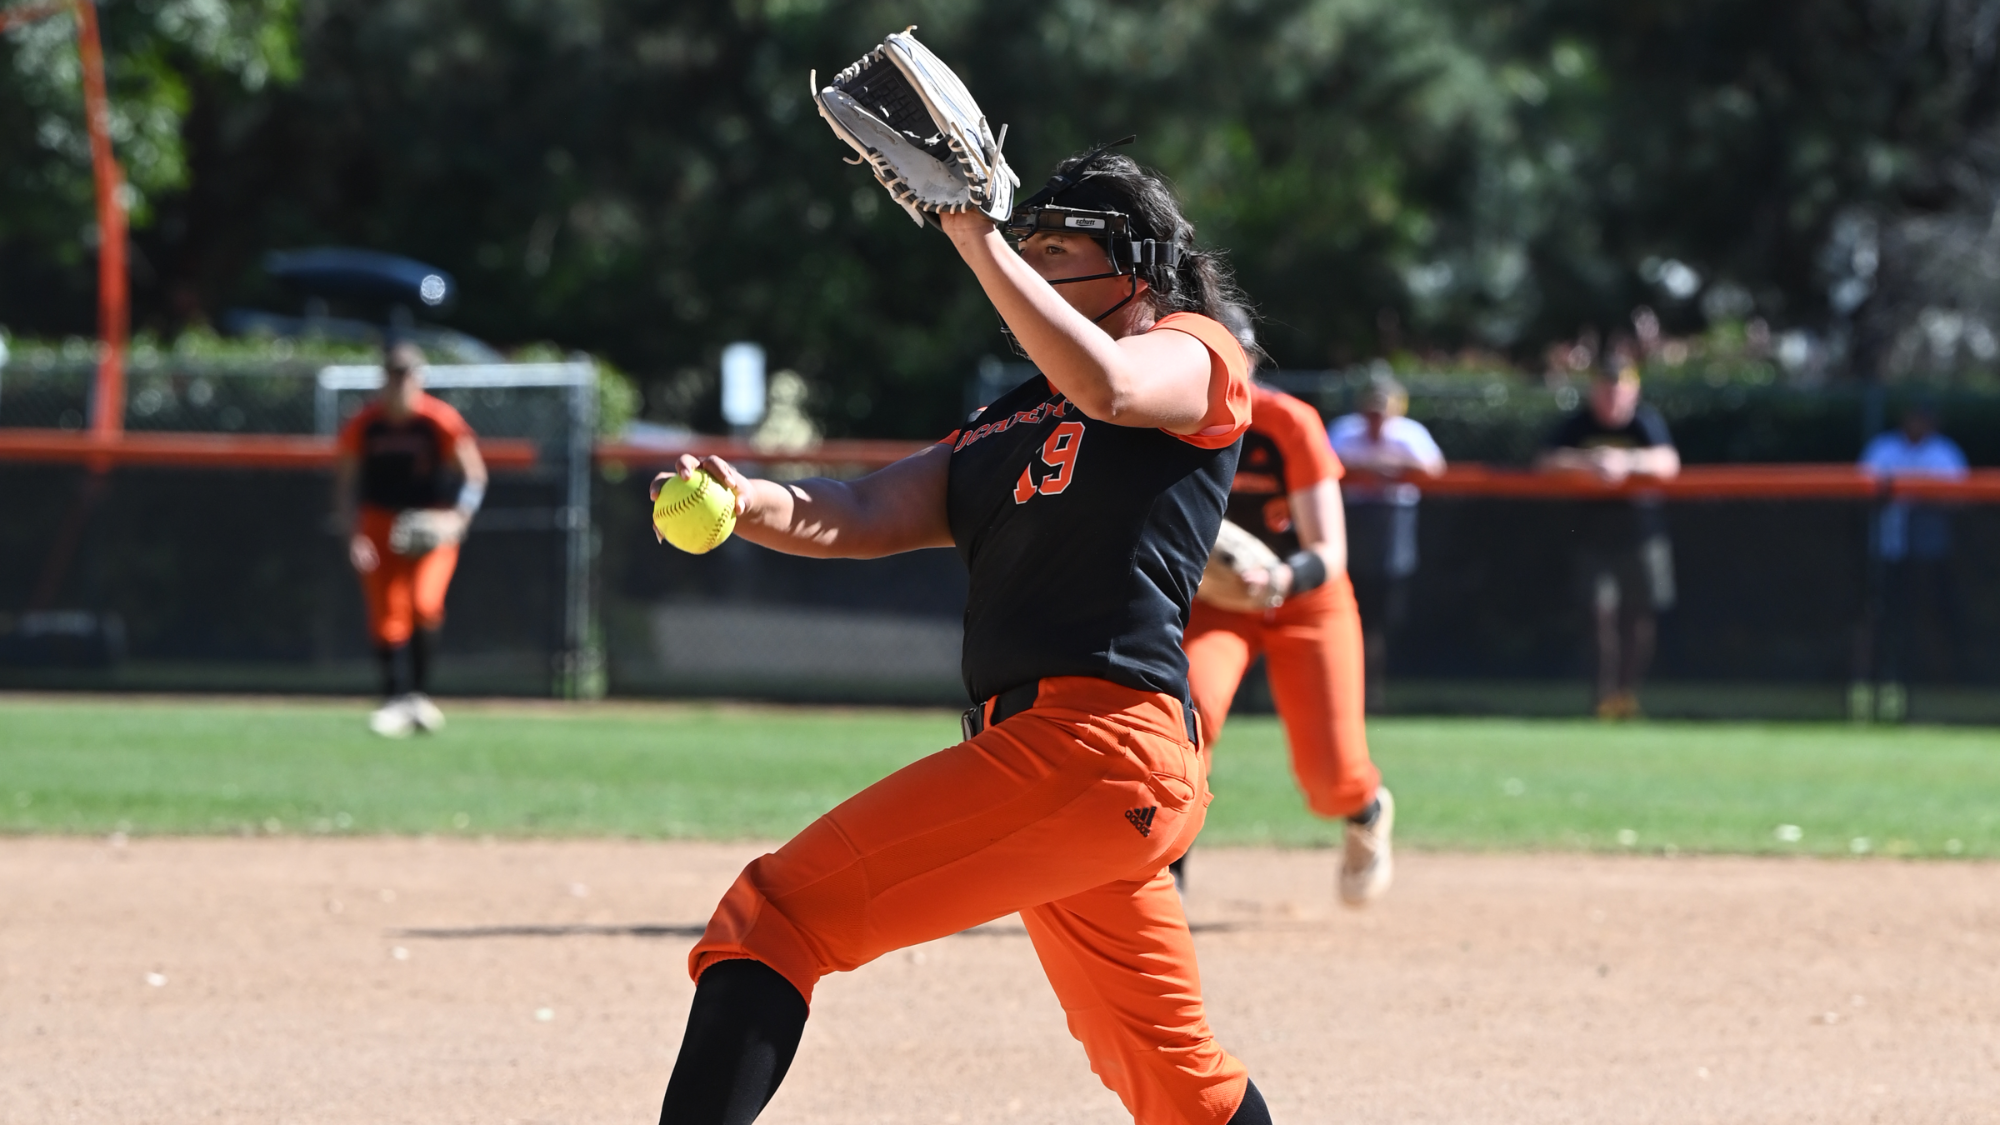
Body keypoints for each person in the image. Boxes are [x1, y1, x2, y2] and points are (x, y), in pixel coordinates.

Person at [650, 148, 1276, 1125]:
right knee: (1177, 1082)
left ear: (1134, 267)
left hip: (1096, 745)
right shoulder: (1008, 417)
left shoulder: (1193, 352)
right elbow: (863, 511)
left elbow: (1110, 385)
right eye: (1028, 246)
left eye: (1056, 247)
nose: (1031, 265)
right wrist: (746, 499)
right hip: (1065, 771)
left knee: (774, 917)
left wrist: (971, 233)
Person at [1178, 313, 1395, 907]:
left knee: (1331, 780)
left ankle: (1366, 810)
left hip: (1305, 600)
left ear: (1251, 358)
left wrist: (1280, 575)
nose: (1226, 371)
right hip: (1220, 603)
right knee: (1184, 715)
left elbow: (1330, 551)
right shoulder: (1171, 424)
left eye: (1234, 357)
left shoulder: (1287, 424)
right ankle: (1165, 868)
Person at [333, 342, 486, 737]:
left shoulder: (438, 420)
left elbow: (475, 475)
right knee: (386, 616)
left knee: (424, 603)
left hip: (431, 526)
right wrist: (353, 535)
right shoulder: (366, 423)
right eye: (393, 374)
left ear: (420, 379)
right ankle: (393, 700)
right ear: (383, 378)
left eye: (407, 374)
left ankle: (419, 696)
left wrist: (457, 517)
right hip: (378, 523)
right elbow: (347, 485)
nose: (400, 382)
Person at [1535, 348, 1679, 719]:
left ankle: (1625, 697)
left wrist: (1626, 462)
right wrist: (1591, 460)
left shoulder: (1644, 423)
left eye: (1620, 390)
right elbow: (1545, 462)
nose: (1613, 397)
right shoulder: (1579, 425)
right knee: (1598, 616)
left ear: (1632, 392)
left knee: (1639, 617)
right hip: (1590, 537)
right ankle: (1601, 699)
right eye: (1606, 389)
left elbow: (1668, 464)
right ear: (1595, 391)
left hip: (1641, 536)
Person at [1328, 373, 1445, 707]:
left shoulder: (1410, 434)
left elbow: (1434, 469)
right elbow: (1322, 464)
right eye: (1371, 409)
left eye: (1383, 410)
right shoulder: (1344, 430)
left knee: (1382, 616)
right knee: (1350, 609)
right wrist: (1376, 466)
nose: (1376, 417)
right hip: (1352, 523)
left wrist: (1380, 464)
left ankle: (1376, 692)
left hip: (1394, 524)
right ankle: (1348, 692)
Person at [1855, 403, 1968, 717]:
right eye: (1914, 417)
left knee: (1930, 615)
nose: (1918, 424)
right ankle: (1866, 682)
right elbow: (1862, 488)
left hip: (1928, 555)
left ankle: (1940, 681)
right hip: (1885, 550)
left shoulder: (1944, 452)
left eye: (1925, 419)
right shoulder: (1883, 447)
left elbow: (1958, 497)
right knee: (1875, 615)